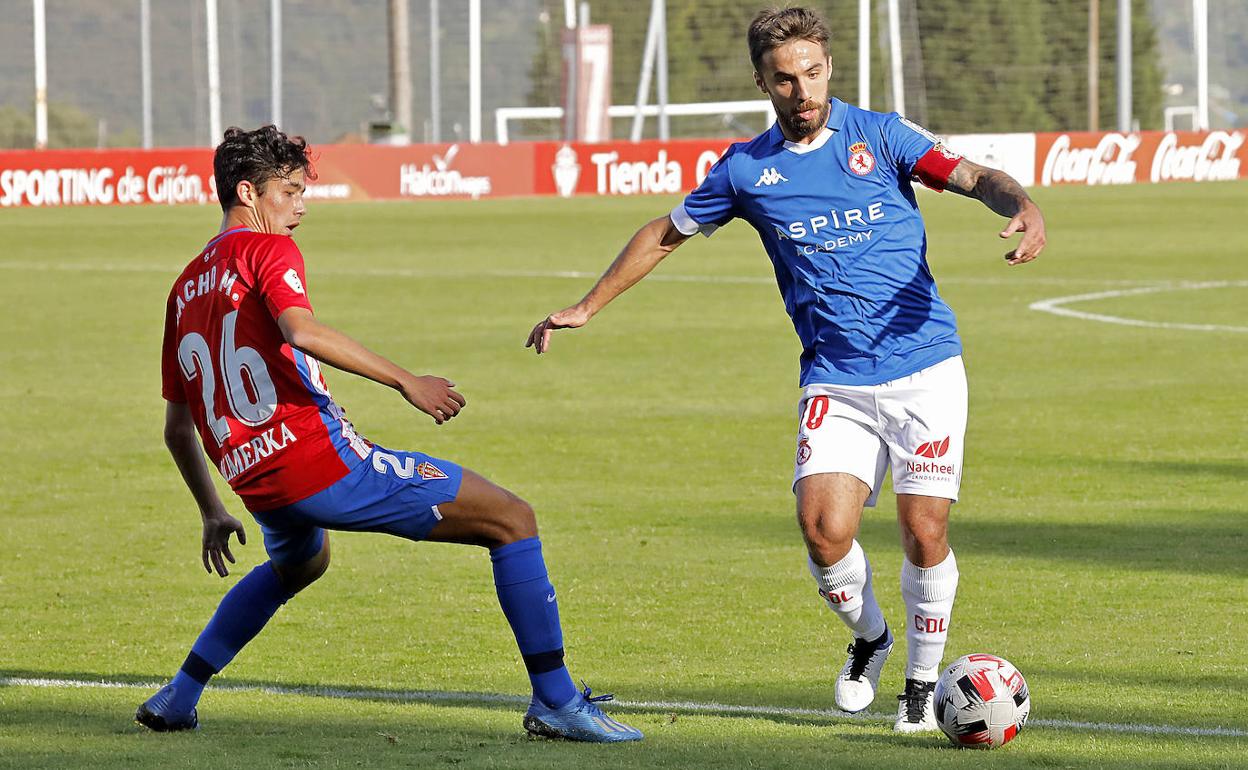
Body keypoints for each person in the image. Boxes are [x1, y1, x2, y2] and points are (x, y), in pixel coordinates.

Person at [526, 7, 1045, 733]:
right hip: (834, 374)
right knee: (822, 530)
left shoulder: (882, 136)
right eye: (784, 78)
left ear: (828, 67)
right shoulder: (747, 170)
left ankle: (922, 688)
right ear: (763, 83)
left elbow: (973, 175)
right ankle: (870, 639)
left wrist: (1020, 203)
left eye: (811, 72)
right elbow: (664, 233)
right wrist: (587, 306)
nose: (801, 89)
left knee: (923, 531)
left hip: (925, 365)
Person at [140, 125, 641, 743]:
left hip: (253, 478)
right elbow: (301, 330)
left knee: (301, 561)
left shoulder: (182, 289)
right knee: (512, 519)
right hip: (318, 462)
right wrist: (408, 381)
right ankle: (558, 702)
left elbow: (176, 427)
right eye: (290, 191)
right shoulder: (265, 251)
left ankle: (177, 695)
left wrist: (212, 509)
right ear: (248, 193)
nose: (301, 206)